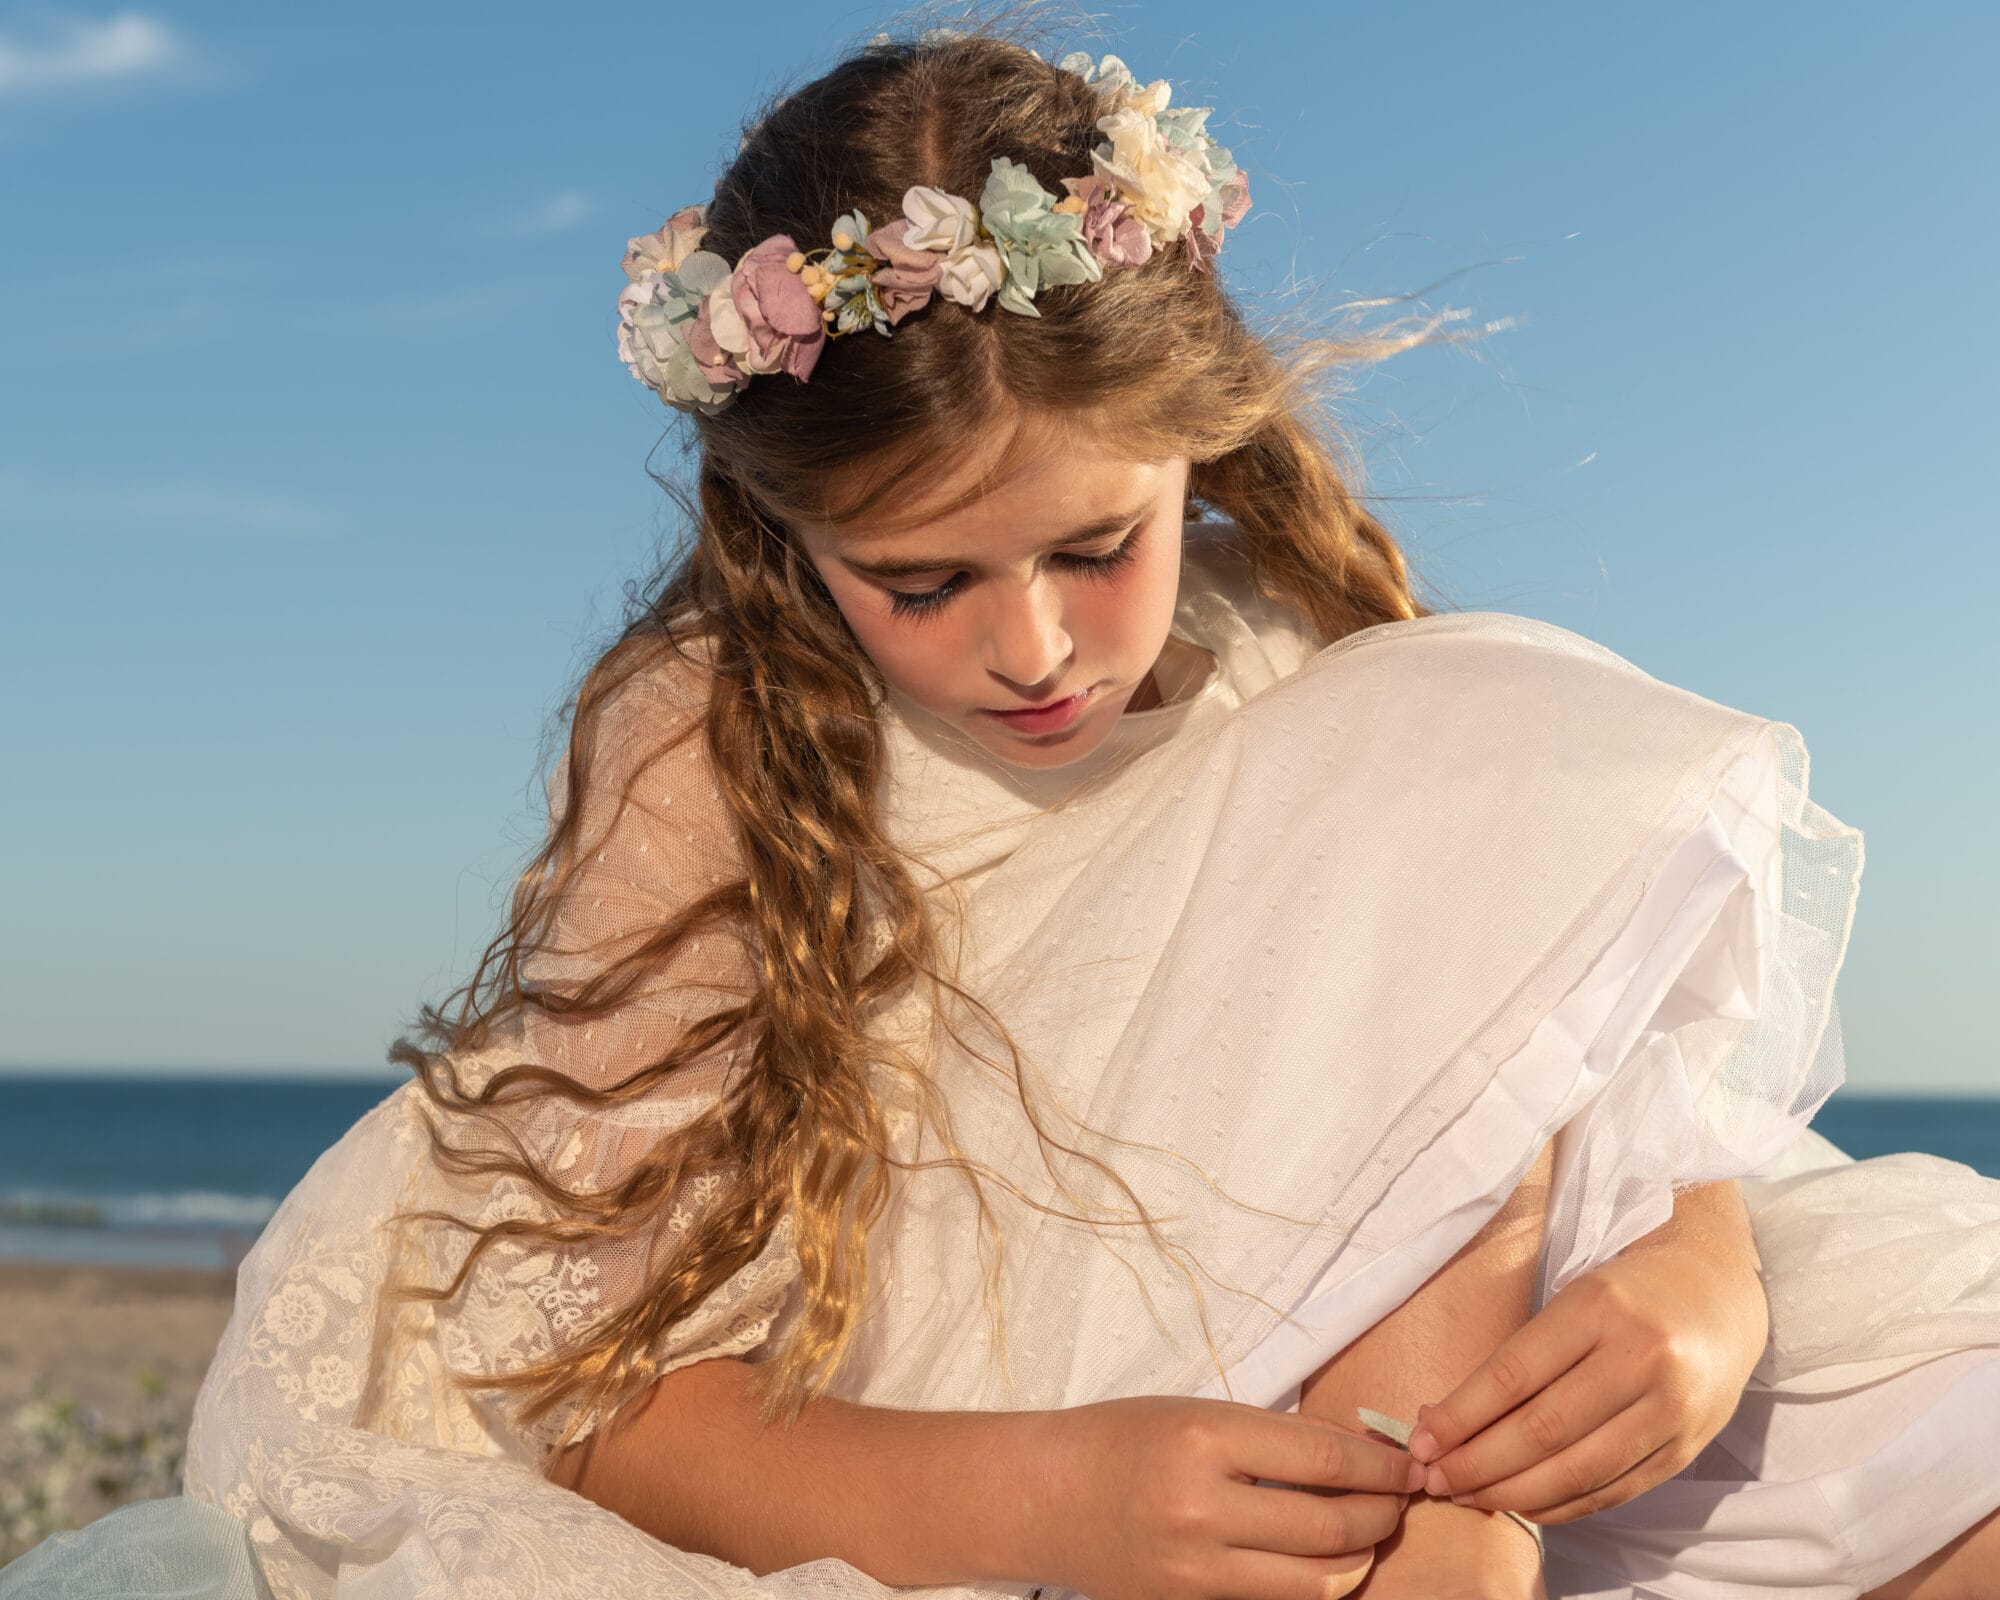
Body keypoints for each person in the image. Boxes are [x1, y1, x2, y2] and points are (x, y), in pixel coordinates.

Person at [6, 21, 1998, 1600]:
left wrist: (1694, 1280)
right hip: (928, 1409)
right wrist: (1046, 1488)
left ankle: (1463, 1534)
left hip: (1385, 1382)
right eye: (924, 583)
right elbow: (595, 1395)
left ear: (1193, 443)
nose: (1036, 649)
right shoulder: (707, 738)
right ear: (785, 534)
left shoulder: (1313, 662)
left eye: (1098, 544)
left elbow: (1558, 1024)